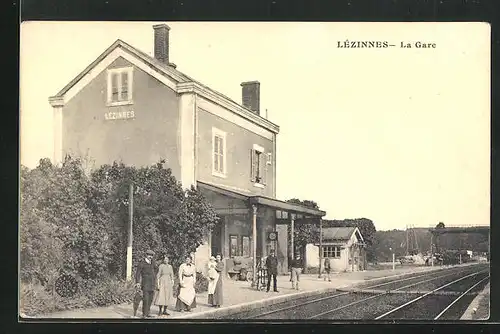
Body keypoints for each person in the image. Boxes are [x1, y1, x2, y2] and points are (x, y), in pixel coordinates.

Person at [135, 249, 156, 318]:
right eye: (149, 255)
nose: (150, 257)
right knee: (146, 299)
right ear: (146, 255)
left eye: (152, 255)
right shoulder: (142, 263)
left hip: (152, 283)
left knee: (150, 299)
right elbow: (137, 273)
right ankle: (144, 314)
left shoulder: (153, 262)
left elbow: (156, 269)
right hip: (145, 283)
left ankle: (148, 313)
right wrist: (138, 282)